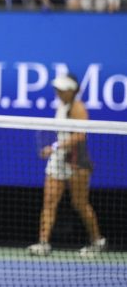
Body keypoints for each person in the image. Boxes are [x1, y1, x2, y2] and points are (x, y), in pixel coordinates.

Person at [28, 74, 106, 258]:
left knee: (80, 203)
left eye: (62, 89)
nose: (58, 92)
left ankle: (97, 241)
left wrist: (53, 147)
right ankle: (44, 243)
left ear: (72, 90)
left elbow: (80, 135)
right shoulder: (62, 106)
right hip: (58, 160)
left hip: (76, 162)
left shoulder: (78, 108)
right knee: (49, 203)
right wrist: (55, 149)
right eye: (57, 89)